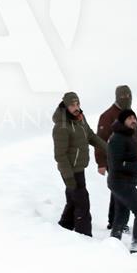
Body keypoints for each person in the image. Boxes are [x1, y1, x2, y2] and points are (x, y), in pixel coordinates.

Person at [52, 91, 109, 238]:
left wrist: (108, 148)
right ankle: (84, 236)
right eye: (72, 105)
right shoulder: (62, 126)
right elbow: (60, 155)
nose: (76, 107)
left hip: (79, 168)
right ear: (66, 106)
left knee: (73, 200)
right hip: (70, 170)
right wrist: (68, 176)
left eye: (77, 104)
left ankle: (64, 227)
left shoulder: (80, 119)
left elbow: (91, 136)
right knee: (82, 203)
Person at [95, 85, 137, 232]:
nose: (126, 98)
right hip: (115, 160)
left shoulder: (131, 115)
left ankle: (118, 222)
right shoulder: (107, 115)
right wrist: (101, 163)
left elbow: (136, 138)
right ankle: (116, 223)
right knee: (121, 189)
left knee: (125, 189)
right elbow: (100, 140)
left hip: (131, 160)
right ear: (117, 97)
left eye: (128, 96)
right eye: (122, 96)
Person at [107, 109, 137, 253]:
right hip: (120, 182)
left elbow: (128, 158)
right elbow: (117, 164)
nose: (133, 121)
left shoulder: (128, 136)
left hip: (123, 182)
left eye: (134, 118)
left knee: (122, 213)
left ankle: (113, 242)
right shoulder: (117, 138)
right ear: (122, 121)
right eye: (130, 118)